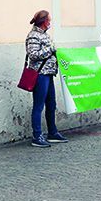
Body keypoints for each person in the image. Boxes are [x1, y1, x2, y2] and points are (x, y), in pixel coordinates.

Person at [25, 10, 68, 148]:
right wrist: (50, 50)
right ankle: (37, 135)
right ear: (44, 21)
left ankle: (52, 132)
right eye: (49, 20)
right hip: (39, 74)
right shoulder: (33, 36)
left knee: (51, 104)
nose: (50, 22)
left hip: (49, 73)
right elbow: (33, 54)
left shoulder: (45, 35)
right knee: (39, 105)